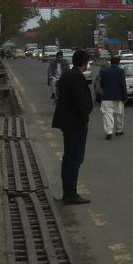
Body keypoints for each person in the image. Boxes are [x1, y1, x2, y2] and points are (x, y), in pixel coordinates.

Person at [51, 50, 93, 205]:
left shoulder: (67, 75)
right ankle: (70, 194)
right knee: (75, 159)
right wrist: (85, 115)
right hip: (76, 124)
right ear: (85, 62)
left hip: (67, 123)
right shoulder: (77, 78)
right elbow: (82, 103)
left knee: (68, 158)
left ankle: (68, 192)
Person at [98, 56, 128, 140]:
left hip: (107, 96)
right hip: (118, 96)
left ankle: (109, 132)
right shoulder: (120, 71)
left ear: (111, 62)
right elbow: (123, 85)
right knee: (120, 114)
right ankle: (119, 130)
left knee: (108, 114)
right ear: (118, 62)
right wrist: (124, 96)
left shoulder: (105, 71)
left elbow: (102, 84)